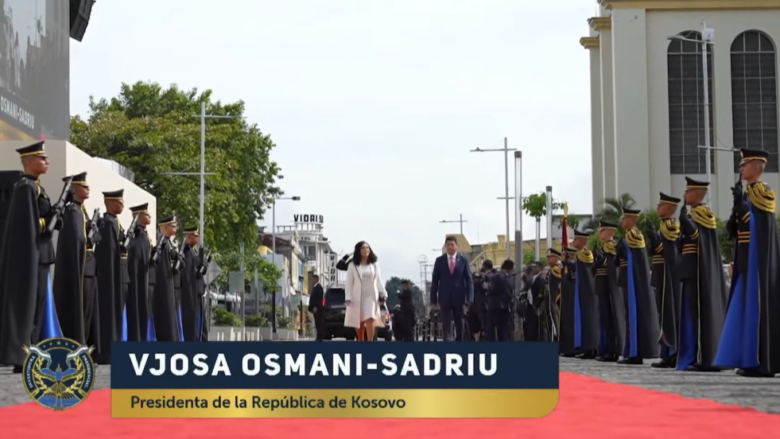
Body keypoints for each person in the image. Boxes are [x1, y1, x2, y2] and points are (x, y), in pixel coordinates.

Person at [716, 149, 780, 378]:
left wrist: (742, 206)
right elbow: (737, 229)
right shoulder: (748, 194)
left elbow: (757, 225)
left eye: (744, 165)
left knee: (757, 307)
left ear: (756, 166)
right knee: (744, 309)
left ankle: (761, 361)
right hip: (745, 257)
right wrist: (738, 204)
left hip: (757, 260)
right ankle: (747, 359)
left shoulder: (763, 191)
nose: (741, 169)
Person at [0, 141, 61, 373]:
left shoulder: (36, 188)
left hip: (40, 254)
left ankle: (31, 351)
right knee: (28, 304)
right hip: (32, 256)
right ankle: (22, 354)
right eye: (43, 159)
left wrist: (54, 216)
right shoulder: (26, 187)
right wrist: (49, 220)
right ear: (30, 162)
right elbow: (30, 224)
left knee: (37, 306)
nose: (47, 162)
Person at [676, 177, 727, 372]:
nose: (684, 195)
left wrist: (686, 224)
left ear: (697, 194)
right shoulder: (694, 214)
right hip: (691, 269)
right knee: (694, 314)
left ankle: (704, 357)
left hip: (699, 270)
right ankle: (697, 354)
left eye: (687, 192)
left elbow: (699, 238)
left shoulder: (702, 214)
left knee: (700, 313)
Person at [52, 172, 93, 344]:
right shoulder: (72, 211)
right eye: (84, 186)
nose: (88, 188)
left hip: (84, 268)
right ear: (74, 189)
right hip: (76, 269)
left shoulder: (80, 211)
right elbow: (74, 242)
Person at [616, 207, 660, 365]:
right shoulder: (629, 236)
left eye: (624, 218)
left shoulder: (633, 235)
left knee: (634, 315)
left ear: (632, 219)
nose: (621, 221)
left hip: (633, 281)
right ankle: (631, 351)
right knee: (630, 315)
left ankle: (635, 353)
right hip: (629, 280)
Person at [649, 193, 683, 368]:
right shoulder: (663, 226)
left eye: (661, 205)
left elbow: (669, 250)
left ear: (669, 208)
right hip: (660, 273)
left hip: (667, 274)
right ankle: (666, 351)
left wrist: (655, 241)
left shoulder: (670, 226)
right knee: (664, 313)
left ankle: (672, 351)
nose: (657, 207)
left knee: (669, 312)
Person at [93, 189, 125, 364]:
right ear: (111, 203)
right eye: (120, 202)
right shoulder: (108, 223)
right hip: (108, 277)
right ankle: (107, 352)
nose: (123, 205)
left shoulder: (113, 222)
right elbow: (109, 254)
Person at [430, 236, 474, 342]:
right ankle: (447, 341)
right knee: (446, 321)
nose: (450, 247)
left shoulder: (463, 261)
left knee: (460, 321)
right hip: (444, 297)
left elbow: (469, 280)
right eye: (448, 245)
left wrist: (470, 298)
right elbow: (435, 281)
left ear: (456, 246)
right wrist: (433, 300)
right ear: (445, 247)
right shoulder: (439, 261)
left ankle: (460, 341)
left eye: (452, 245)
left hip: (459, 297)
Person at [593, 220, 625, 362]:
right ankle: (606, 348)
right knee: (605, 319)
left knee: (611, 318)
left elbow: (612, 265)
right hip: (602, 287)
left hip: (609, 287)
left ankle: (613, 350)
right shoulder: (604, 247)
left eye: (603, 231)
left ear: (611, 232)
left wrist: (602, 260)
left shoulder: (612, 246)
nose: (600, 233)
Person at [344, 241, 387, 341]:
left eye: (367, 248)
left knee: (371, 318)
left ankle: (370, 341)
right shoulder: (352, 265)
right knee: (359, 321)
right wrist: (348, 297)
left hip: (371, 295)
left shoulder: (375, 264)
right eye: (363, 248)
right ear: (358, 251)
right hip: (357, 296)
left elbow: (379, 280)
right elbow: (349, 282)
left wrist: (383, 292)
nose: (365, 250)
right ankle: (360, 340)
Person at [150, 215, 181, 341]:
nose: (176, 228)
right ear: (166, 227)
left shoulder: (166, 242)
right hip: (163, 284)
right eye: (173, 226)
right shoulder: (162, 242)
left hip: (168, 283)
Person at [570, 230, 600, 358]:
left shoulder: (584, 253)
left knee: (589, 319)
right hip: (583, 290)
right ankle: (586, 347)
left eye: (576, 239)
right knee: (584, 319)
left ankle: (591, 347)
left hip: (588, 292)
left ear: (582, 241)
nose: (573, 241)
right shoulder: (580, 254)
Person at [126, 203, 152, 341]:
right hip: (136, 279)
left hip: (143, 278)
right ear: (139, 216)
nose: (150, 217)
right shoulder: (136, 234)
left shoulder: (144, 235)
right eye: (147, 214)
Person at [180, 226, 203, 341]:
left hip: (195, 291)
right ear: (189, 237)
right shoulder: (186, 252)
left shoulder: (192, 251)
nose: (198, 238)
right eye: (195, 235)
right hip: (189, 292)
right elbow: (188, 273)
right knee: (190, 321)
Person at [484, 259, 514, 341]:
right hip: (505, 306)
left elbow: (491, 289)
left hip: (494, 306)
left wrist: (487, 292)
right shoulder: (510, 277)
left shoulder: (497, 276)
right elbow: (510, 291)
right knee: (503, 331)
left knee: (491, 329)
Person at [469, 260, 494, 342]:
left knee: (476, 326)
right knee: (484, 326)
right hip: (484, 305)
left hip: (475, 305)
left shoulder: (475, 279)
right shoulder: (490, 277)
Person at [524, 262, 546, 342]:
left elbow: (541, 293)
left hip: (537, 307)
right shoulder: (532, 278)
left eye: (535, 267)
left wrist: (538, 306)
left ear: (540, 268)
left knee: (539, 329)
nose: (533, 268)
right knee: (531, 329)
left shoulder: (541, 278)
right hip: (530, 307)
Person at [546, 249, 563, 342]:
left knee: (558, 322)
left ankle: (561, 342)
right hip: (553, 299)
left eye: (550, 257)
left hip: (557, 300)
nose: (548, 259)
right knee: (554, 322)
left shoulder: (556, 269)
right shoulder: (553, 269)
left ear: (556, 258)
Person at [308, 274, 325, 341]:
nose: (312, 280)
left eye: (313, 279)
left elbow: (318, 298)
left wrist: (316, 307)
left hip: (317, 308)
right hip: (314, 308)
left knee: (319, 322)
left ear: (316, 279)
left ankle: (320, 336)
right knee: (317, 322)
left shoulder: (319, 287)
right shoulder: (315, 287)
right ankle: (319, 336)